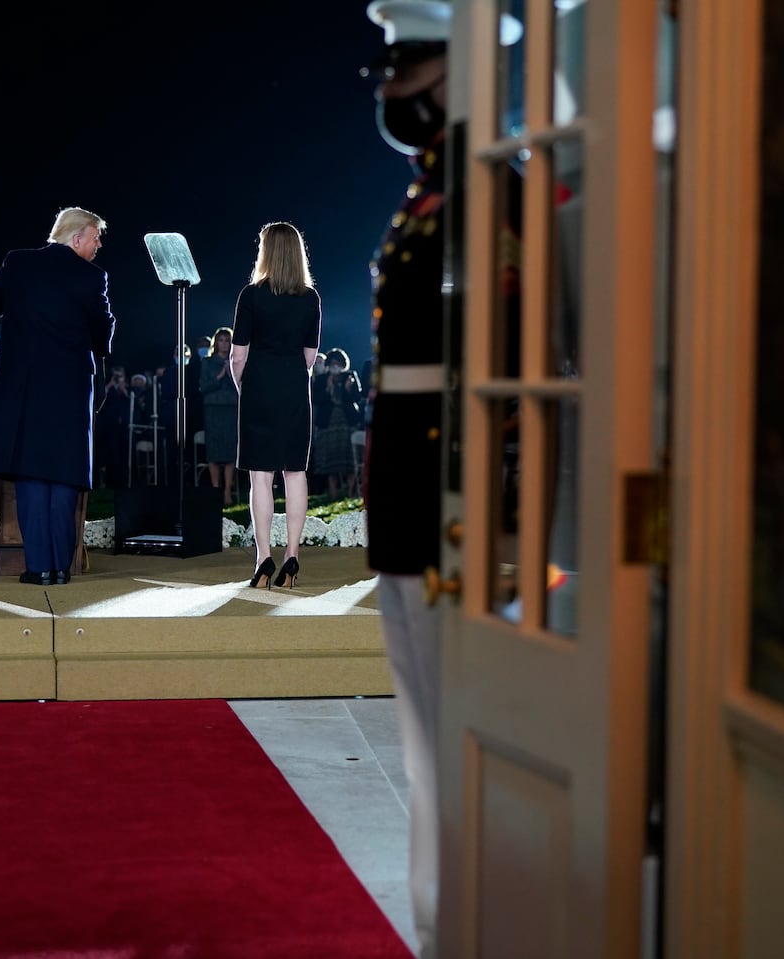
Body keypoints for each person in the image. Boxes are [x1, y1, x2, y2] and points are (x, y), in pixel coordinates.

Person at [361, 2, 458, 955]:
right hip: (408, 498)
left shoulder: (482, 192)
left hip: (445, 503)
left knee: (455, 746)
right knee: (427, 750)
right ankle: (438, 926)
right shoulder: (434, 193)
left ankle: (461, 928)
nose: (395, 88)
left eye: (413, 66)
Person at [0, 207, 116, 585]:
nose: (98, 245)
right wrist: (103, 340)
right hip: (70, 389)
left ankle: (39, 568)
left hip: (23, 388)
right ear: (77, 237)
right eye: (96, 237)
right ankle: (62, 569)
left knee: (31, 474)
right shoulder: (92, 278)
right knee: (63, 475)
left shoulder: (18, 265)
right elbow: (102, 332)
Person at [229, 221, 322, 588]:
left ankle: (262, 558)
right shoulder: (311, 298)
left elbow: (238, 355)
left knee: (261, 476)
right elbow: (311, 356)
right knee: (295, 472)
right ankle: (292, 558)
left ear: (264, 252)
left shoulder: (251, 296)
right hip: (295, 386)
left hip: (258, 386)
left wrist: (244, 387)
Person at [312, 347, 364, 499]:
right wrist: (328, 388)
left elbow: (357, 397)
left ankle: (350, 493)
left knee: (349, 459)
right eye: (333, 363)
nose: (335, 366)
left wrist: (348, 389)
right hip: (328, 423)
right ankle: (333, 494)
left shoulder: (350, 376)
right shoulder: (321, 379)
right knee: (330, 461)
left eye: (338, 363)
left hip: (347, 421)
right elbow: (316, 399)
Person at [199, 326, 239, 504]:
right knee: (214, 452)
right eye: (221, 340)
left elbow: (241, 388)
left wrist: (230, 374)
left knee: (230, 452)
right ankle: (216, 491)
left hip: (231, 408)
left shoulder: (236, 362)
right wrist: (220, 375)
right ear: (217, 343)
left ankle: (227, 492)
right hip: (213, 409)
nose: (224, 344)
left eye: (227, 340)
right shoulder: (207, 362)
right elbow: (204, 387)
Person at [96, 366, 132, 488]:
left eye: (119, 376)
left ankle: (121, 480)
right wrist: (111, 384)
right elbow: (100, 397)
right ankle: (106, 481)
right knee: (108, 452)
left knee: (121, 453)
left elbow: (131, 402)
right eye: (115, 376)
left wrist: (123, 389)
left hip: (122, 426)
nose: (117, 378)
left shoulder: (126, 388)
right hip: (108, 425)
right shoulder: (109, 387)